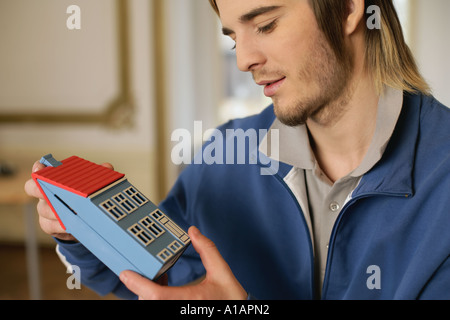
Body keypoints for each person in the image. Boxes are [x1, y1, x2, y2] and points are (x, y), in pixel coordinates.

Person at [24, 0, 450, 300]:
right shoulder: (224, 155)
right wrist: (79, 226)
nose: (244, 59)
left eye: (265, 25)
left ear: (350, 8)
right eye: (233, 37)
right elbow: (150, 277)